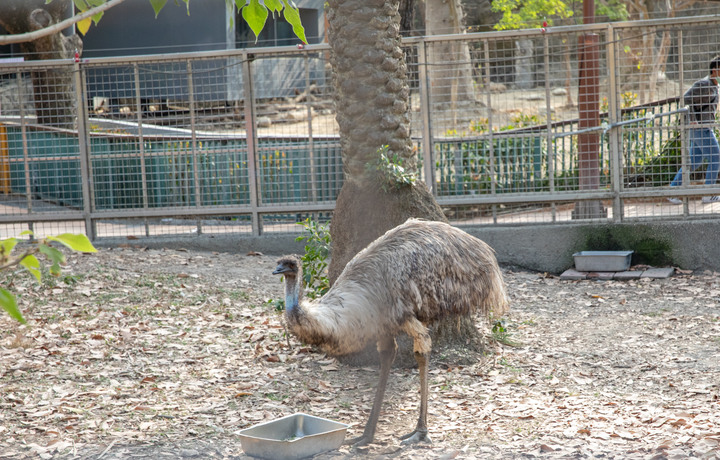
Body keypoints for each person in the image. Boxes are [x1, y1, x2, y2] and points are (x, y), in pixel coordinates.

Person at [668, 55, 720, 205]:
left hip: (704, 127)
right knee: (716, 158)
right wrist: (692, 119)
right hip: (700, 128)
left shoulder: (714, 86)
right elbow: (685, 98)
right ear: (715, 70)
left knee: (693, 162)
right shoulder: (704, 84)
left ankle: (672, 191)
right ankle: (708, 194)